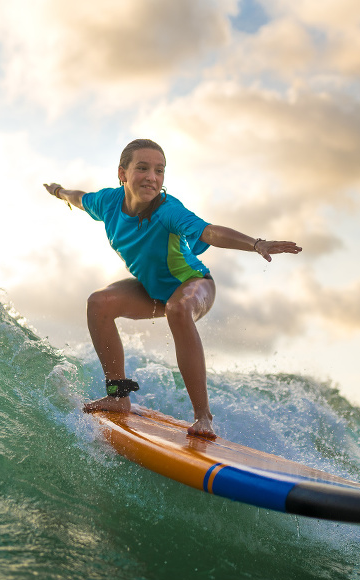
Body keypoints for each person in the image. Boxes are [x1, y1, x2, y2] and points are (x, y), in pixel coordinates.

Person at [44, 139, 301, 439]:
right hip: (152, 291)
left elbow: (209, 231)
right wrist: (60, 192)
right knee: (98, 303)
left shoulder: (167, 210)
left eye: (159, 170)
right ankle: (118, 395)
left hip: (195, 284)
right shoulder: (108, 203)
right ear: (122, 173)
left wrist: (256, 244)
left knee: (177, 309)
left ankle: (203, 416)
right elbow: (80, 197)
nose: (152, 177)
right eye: (142, 168)